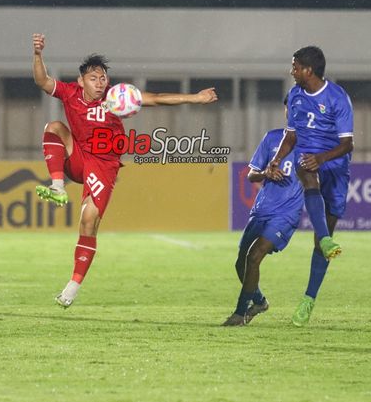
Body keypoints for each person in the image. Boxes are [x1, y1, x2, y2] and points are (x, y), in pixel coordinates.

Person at [31, 33, 217, 308]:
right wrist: (38, 54)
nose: (99, 82)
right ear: (81, 80)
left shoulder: (117, 97)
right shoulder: (70, 93)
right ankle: (58, 186)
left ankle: (73, 286)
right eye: (93, 78)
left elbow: (155, 98)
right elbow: (42, 81)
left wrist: (195, 97)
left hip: (104, 165)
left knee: (88, 221)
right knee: (53, 128)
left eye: (103, 77)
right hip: (79, 157)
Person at [268, 46, 354, 326]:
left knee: (322, 239)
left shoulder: (337, 97)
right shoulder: (294, 96)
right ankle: (325, 239)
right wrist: (276, 160)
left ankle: (309, 299)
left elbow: (347, 144)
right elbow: (291, 137)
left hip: (334, 163)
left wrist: (322, 158)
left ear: (308, 70)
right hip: (308, 158)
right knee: (306, 171)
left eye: (295, 66)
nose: (291, 71)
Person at [223, 121, 303, 326]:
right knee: (241, 263)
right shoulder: (272, 138)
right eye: (289, 108)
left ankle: (240, 314)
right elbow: (251, 175)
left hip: (286, 214)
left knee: (254, 255)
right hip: (262, 209)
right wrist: (266, 173)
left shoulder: (313, 142)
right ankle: (259, 302)